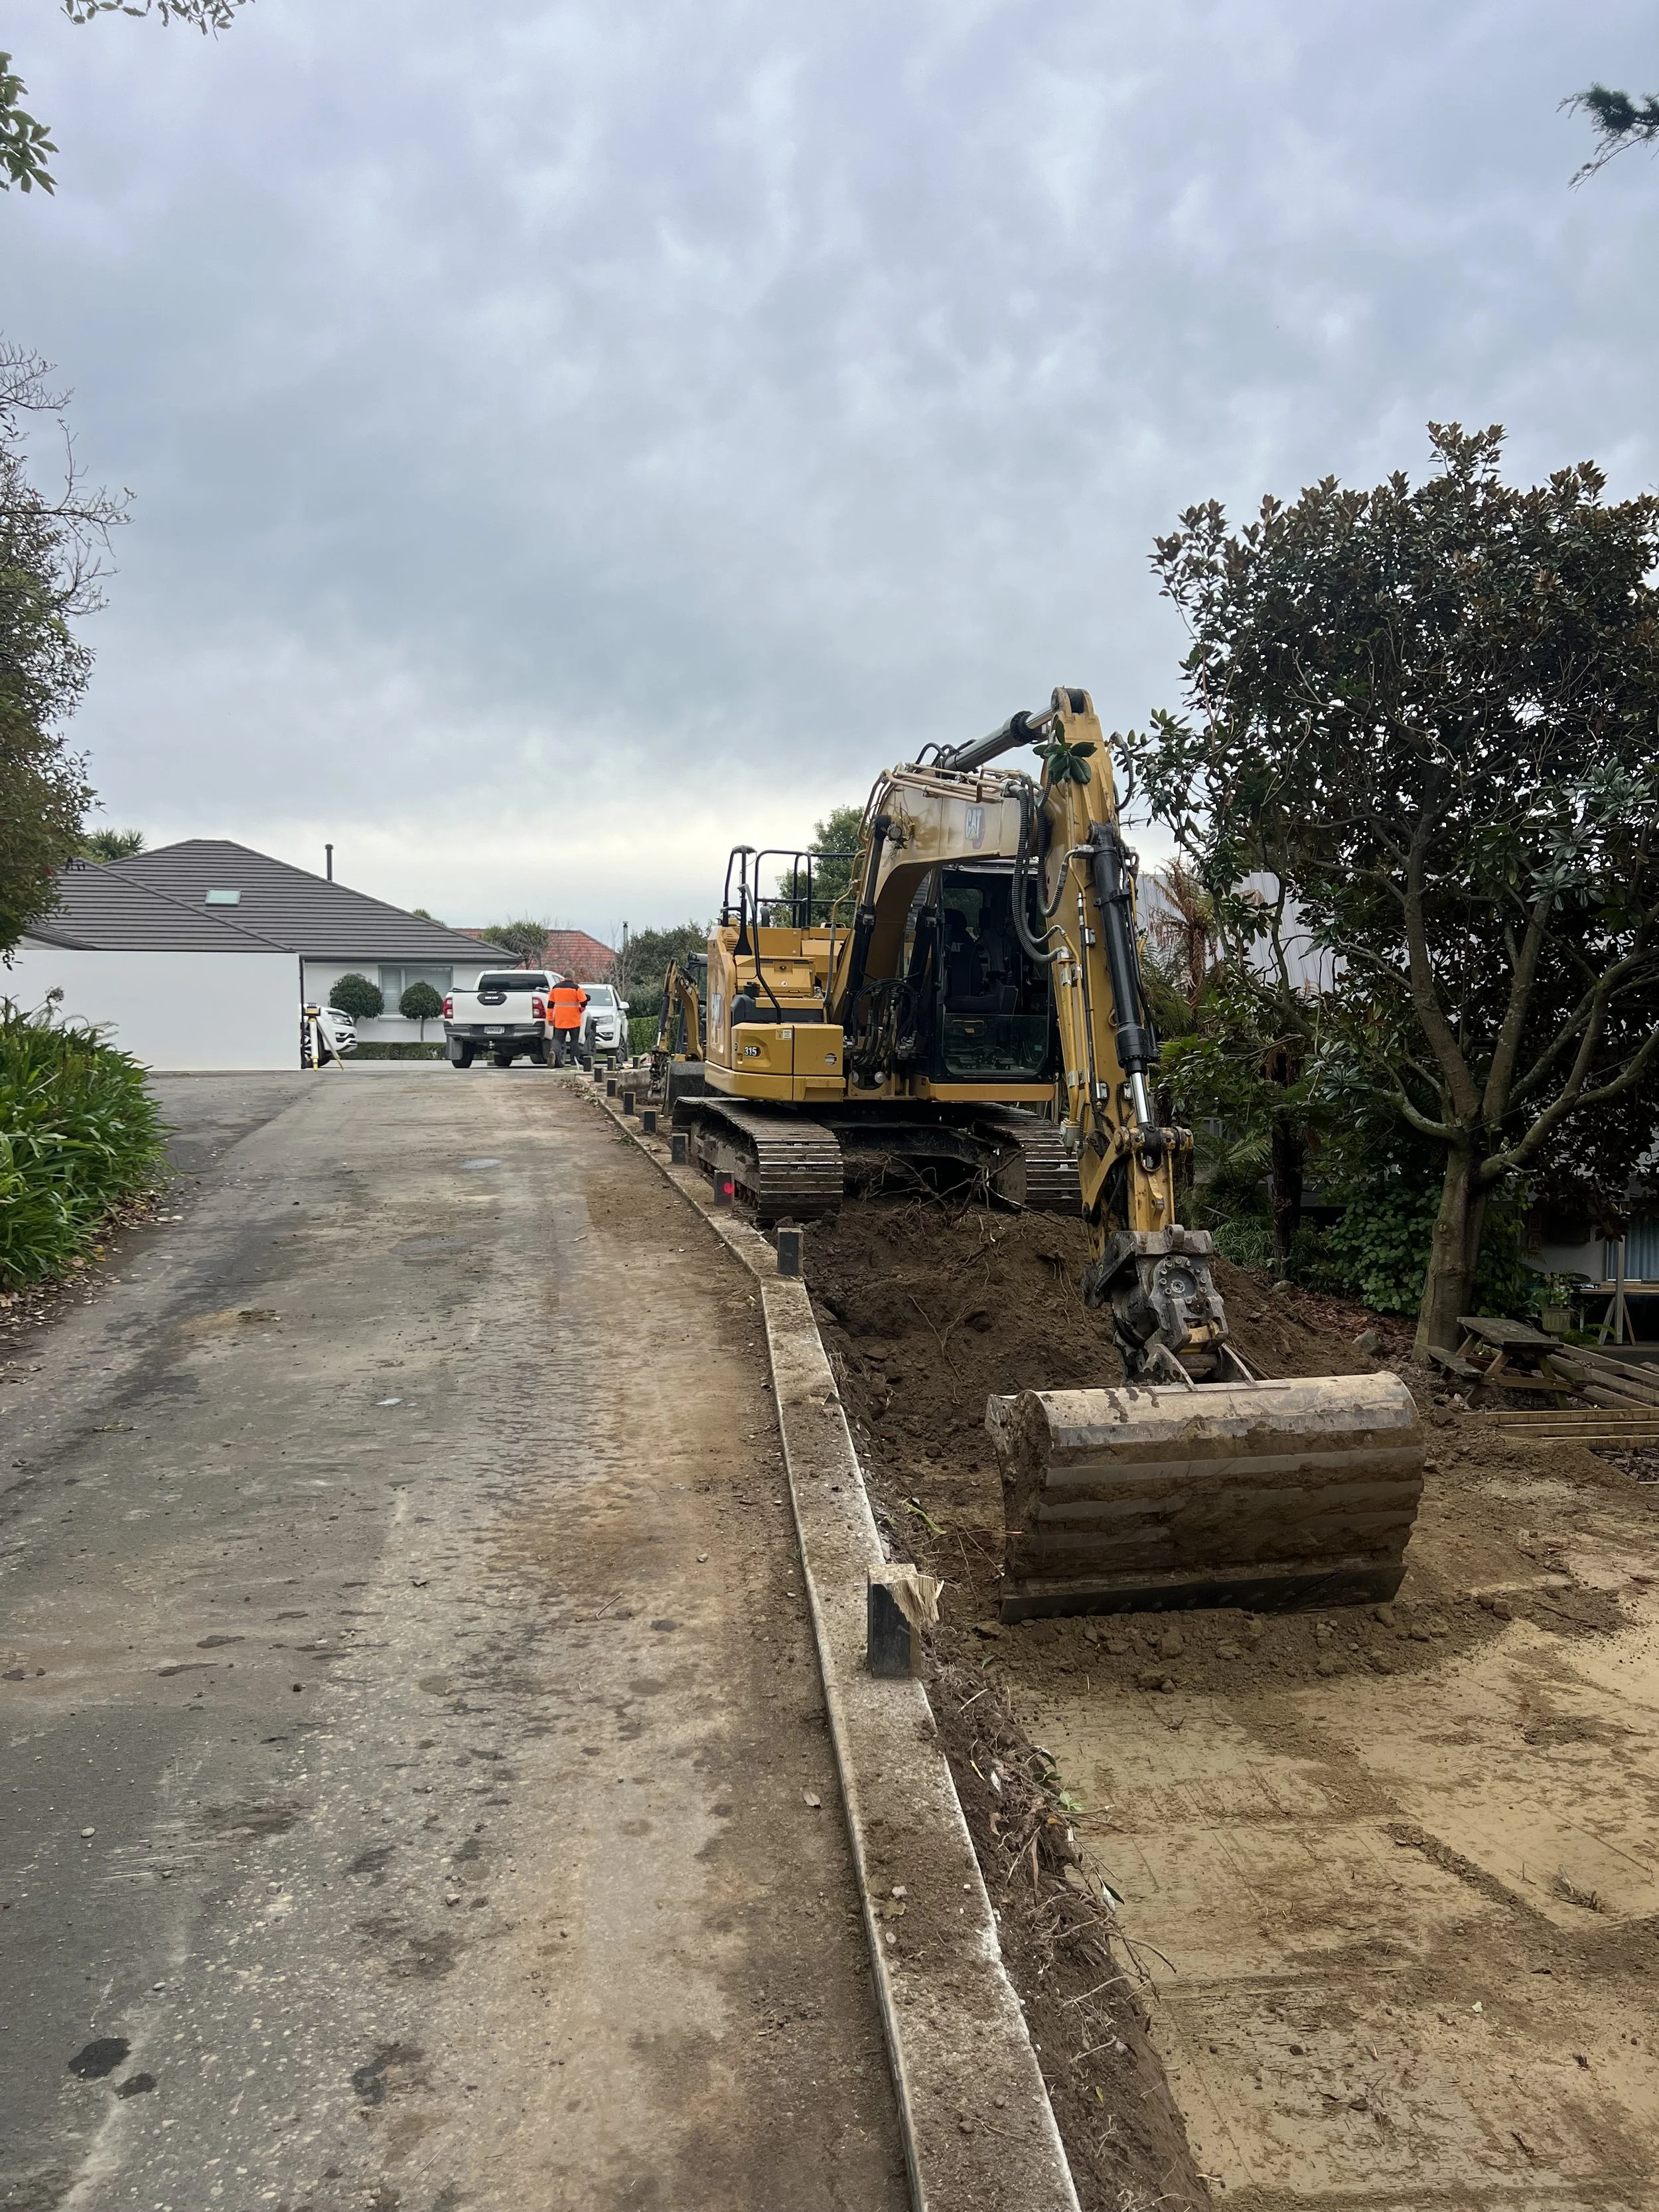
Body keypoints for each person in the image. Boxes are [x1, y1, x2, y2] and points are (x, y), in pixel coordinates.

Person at [549, 976, 588, 1065]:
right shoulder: (577, 988)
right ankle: (574, 1061)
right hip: (574, 1019)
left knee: (557, 1039)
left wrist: (550, 1018)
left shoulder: (555, 988)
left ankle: (554, 1053)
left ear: (563, 978)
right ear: (573, 977)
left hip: (560, 1019)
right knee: (574, 1040)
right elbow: (584, 1001)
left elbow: (550, 1005)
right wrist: (581, 1009)